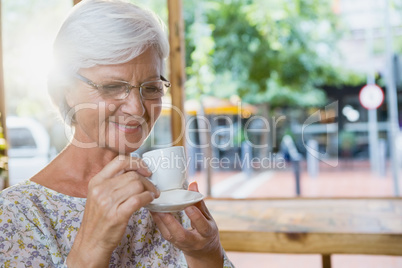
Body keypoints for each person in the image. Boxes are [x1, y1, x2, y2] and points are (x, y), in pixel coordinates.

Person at [0, 0, 234, 267]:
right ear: (66, 89)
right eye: (112, 86)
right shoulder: (15, 214)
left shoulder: (166, 194)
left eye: (152, 87)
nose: (136, 108)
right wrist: (92, 245)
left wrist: (206, 254)